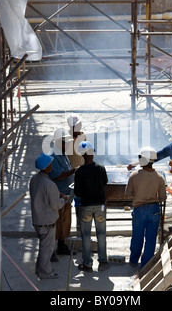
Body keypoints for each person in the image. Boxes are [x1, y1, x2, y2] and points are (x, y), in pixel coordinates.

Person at [125, 146, 166, 269]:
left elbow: (128, 194)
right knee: (151, 238)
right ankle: (146, 266)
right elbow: (163, 198)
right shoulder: (159, 177)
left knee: (137, 236)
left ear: (142, 160)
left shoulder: (134, 175)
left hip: (139, 209)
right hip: (154, 210)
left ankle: (133, 261)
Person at [29, 153, 69, 279]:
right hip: (47, 221)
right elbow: (55, 205)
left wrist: (58, 194)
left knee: (43, 247)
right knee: (47, 249)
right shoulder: (49, 184)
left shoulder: (34, 179)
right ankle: (46, 273)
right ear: (46, 167)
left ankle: (39, 270)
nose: (52, 166)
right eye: (50, 164)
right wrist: (64, 200)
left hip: (38, 219)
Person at [74, 141, 110, 272]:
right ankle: (103, 262)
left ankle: (87, 264)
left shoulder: (79, 172)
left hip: (85, 207)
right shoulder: (100, 168)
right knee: (101, 234)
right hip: (100, 206)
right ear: (92, 152)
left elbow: (77, 193)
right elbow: (105, 183)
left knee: (86, 236)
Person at [49, 128, 76, 259]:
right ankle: (51, 251)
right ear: (59, 142)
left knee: (65, 222)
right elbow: (58, 175)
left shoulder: (63, 154)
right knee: (56, 223)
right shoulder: (53, 156)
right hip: (58, 195)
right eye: (66, 142)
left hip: (66, 195)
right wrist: (74, 171)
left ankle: (62, 245)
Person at [66, 113, 87, 235]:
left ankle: (79, 226)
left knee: (78, 201)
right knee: (73, 200)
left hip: (78, 173)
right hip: (71, 174)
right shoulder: (71, 139)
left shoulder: (81, 137)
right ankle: (77, 227)